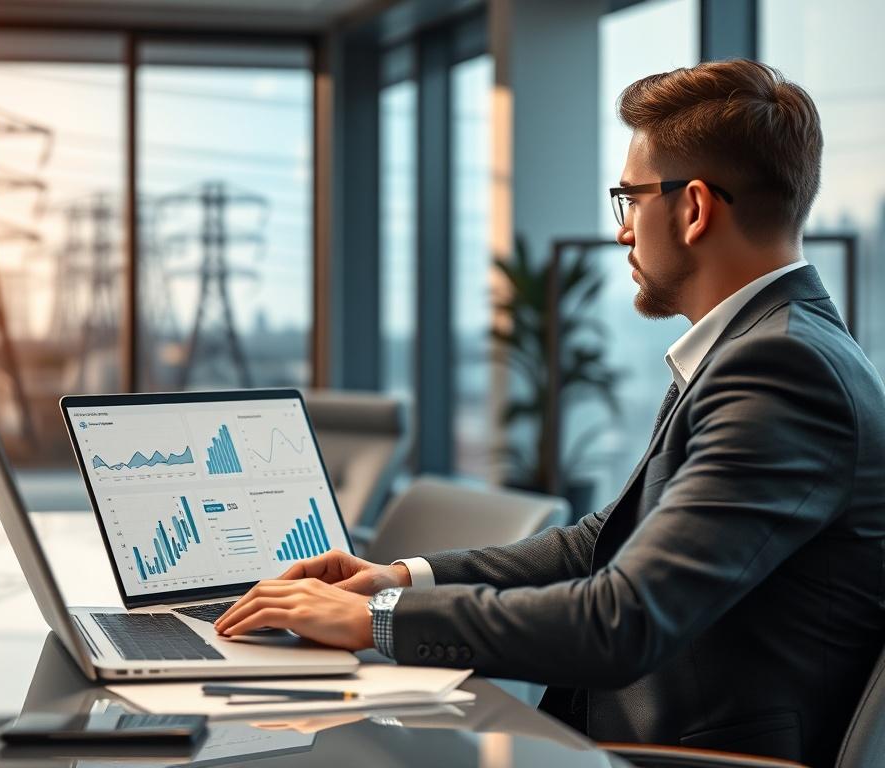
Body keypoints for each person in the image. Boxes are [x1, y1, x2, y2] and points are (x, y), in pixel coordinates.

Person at [216, 59, 885, 765]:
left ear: (692, 209)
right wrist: (400, 579)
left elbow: (623, 621)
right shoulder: (766, 348)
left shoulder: (779, 370)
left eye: (630, 199)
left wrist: (376, 621)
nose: (624, 233)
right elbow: (604, 541)